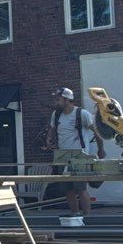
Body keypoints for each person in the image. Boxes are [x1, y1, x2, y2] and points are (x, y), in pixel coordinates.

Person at [43, 85, 104, 225]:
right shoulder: (56, 114)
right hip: (62, 156)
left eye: (58, 99)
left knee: (80, 187)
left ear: (67, 99)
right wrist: (49, 138)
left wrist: (101, 150)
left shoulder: (81, 114)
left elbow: (97, 131)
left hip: (79, 155)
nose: (56, 102)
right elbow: (53, 128)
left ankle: (87, 217)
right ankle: (75, 214)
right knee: (67, 188)